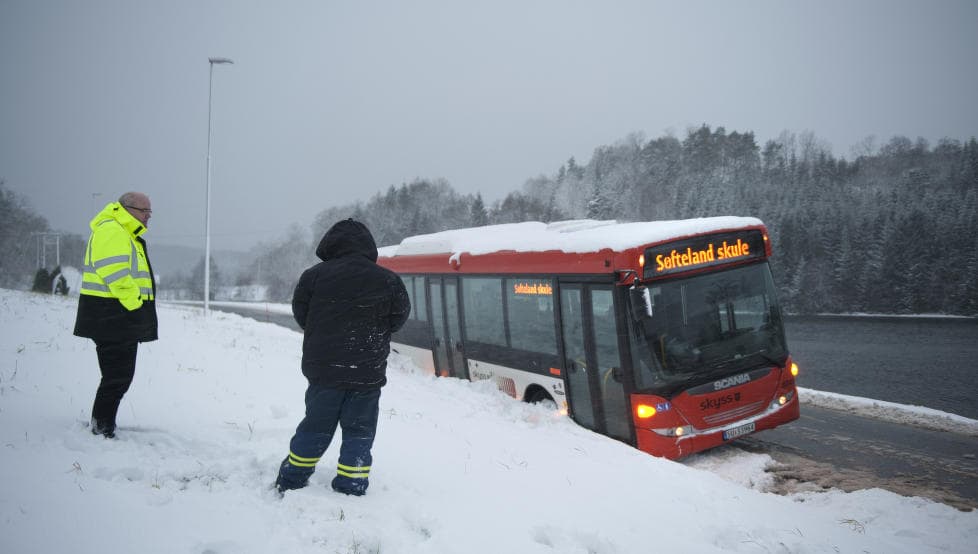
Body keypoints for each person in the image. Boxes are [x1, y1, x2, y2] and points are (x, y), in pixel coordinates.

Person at [275, 219, 410, 496]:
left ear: (330, 245)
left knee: (315, 427)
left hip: (324, 372)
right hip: (367, 373)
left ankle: (293, 479)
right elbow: (398, 319)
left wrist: (326, 334)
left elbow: (303, 316)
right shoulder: (388, 280)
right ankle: (352, 484)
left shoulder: (313, 277)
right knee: (359, 432)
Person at [73, 192, 158, 438]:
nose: (148, 216)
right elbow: (116, 275)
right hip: (111, 318)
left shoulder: (125, 232)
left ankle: (104, 424)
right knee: (117, 376)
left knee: (118, 376)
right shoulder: (113, 230)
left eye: (150, 211)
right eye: (145, 211)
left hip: (116, 319)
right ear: (128, 208)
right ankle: (101, 429)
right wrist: (136, 305)